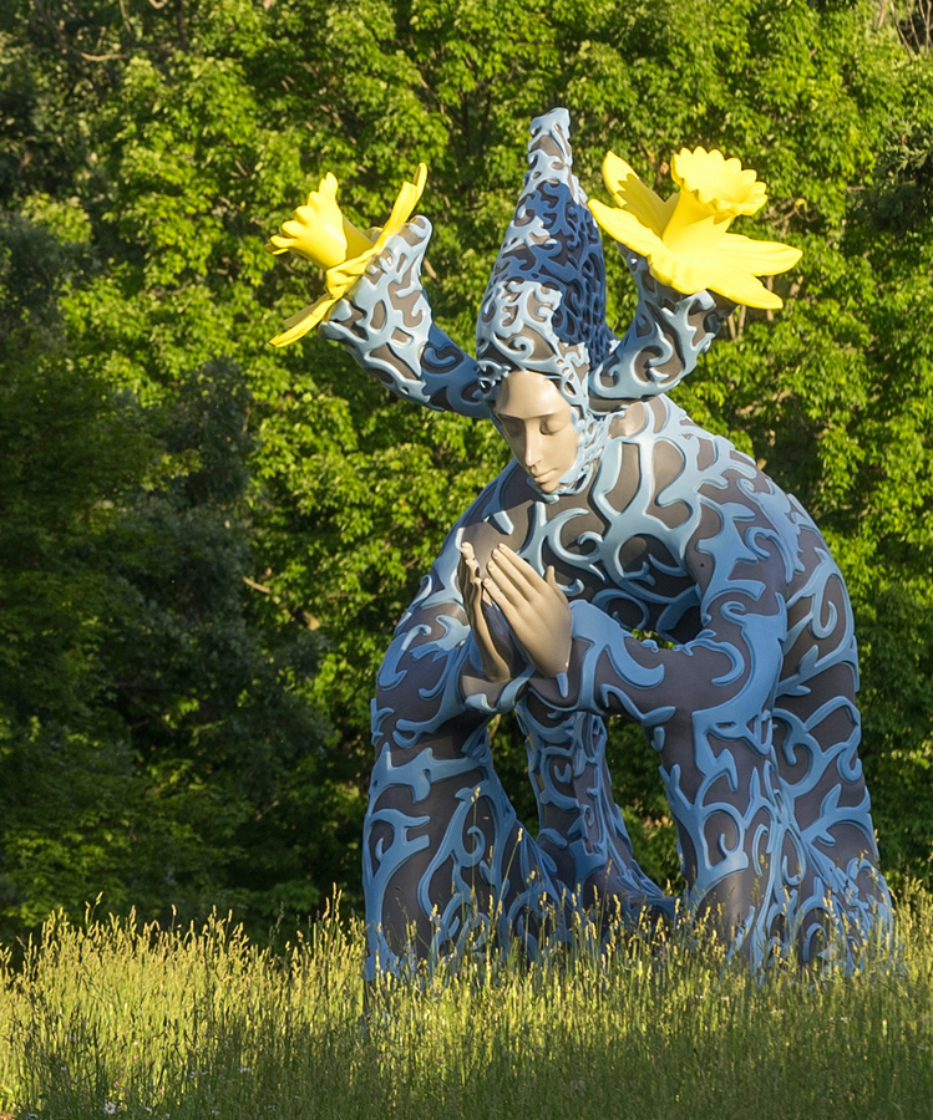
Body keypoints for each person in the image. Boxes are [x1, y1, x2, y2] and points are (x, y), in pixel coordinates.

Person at [271, 108, 890, 975]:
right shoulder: (509, 514)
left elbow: (736, 678)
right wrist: (480, 675)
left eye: (550, 426)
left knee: (707, 733)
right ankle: (449, 991)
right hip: (584, 889)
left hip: (796, 818)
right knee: (424, 745)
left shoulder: (713, 494)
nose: (532, 456)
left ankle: (757, 1001)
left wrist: (578, 653)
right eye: (508, 427)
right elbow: (399, 700)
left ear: (591, 396)